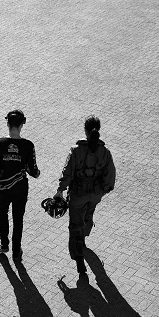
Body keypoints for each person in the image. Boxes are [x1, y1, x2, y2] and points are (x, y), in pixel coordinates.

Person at [54, 115, 116, 276]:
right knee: (88, 216)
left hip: (78, 196)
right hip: (95, 195)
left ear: (85, 130)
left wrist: (60, 190)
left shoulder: (76, 150)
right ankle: (84, 237)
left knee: (75, 225)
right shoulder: (105, 152)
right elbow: (110, 177)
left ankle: (79, 259)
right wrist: (102, 191)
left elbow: (67, 172)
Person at [0, 110, 41, 261]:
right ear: (22, 124)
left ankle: (4, 244)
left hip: (3, 188)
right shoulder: (28, 145)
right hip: (20, 189)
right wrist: (37, 173)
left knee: (2, 215)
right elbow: (33, 170)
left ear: (7, 124)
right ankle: (16, 251)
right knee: (18, 219)